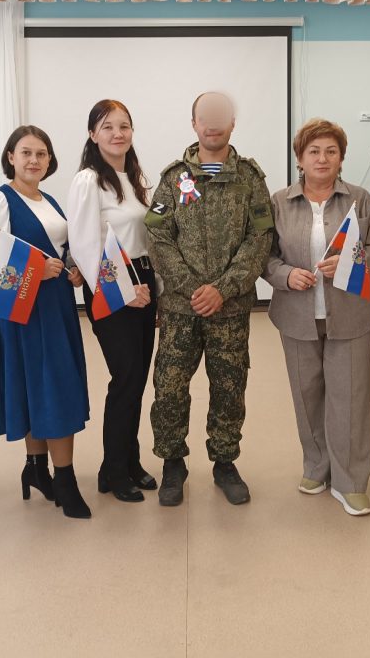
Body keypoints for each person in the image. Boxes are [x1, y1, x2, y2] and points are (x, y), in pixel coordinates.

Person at [145, 92, 274, 507]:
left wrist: (223, 288)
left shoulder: (250, 178)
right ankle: (173, 463)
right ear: (194, 123)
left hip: (230, 308)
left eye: (221, 116)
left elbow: (261, 237)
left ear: (232, 122)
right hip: (180, 309)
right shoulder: (173, 178)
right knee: (169, 388)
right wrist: (190, 286)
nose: (213, 123)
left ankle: (224, 462)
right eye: (205, 117)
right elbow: (157, 234)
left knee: (229, 388)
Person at [264, 119, 370, 517]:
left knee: (349, 399)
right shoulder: (278, 203)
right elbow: (263, 257)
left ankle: (350, 481)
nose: (322, 159)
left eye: (331, 152)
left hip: (350, 317)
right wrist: (286, 275)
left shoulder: (361, 200)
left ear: (341, 158)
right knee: (307, 397)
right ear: (300, 158)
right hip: (296, 316)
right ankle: (316, 467)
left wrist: (355, 261)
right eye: (314, 151)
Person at [0, 126, 92, 519]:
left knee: (44, 386)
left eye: (41, 154)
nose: (34, 160)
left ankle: (37, 469)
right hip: (23, 309)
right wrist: (35, 271)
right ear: (11, 157)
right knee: (51, 387)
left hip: (55, 305)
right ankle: (65, 480)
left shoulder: (48, 199)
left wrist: (71, 268)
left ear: (50, 160)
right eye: (26, 153)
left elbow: (56, 249)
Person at [67, 100, 158, 504]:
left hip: (143, 282)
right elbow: (84, 244)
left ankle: (128, 461)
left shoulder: (134, 178)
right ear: (93, 135)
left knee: (137, 379)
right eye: (107, 127)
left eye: (124, 126)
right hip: (112, 283)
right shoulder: (88, 180)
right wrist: (123, 289)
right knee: (125, 377)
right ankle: (114, 469)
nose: (117, 134)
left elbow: (146, 239)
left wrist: (153, 288)